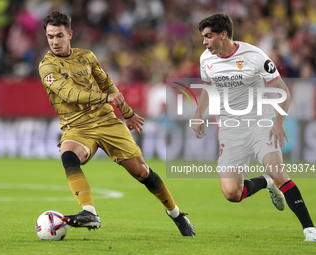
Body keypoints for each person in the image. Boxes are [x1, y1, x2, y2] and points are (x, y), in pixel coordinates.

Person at [38, 10, 195, 237]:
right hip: (77, 127)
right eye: (50, 36)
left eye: (59, 36)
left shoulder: (87, 57)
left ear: (70, 34)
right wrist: (105, 98)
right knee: (68, 154)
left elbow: (108, 84)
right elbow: (69, 94)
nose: (54, 41)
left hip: (106, 120)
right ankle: (89, 212)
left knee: (141, 172)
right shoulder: (47, 66)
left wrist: (128, 113)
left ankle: (177, 214)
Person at [191, 12, 315, 241]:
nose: (204, 42)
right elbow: (207, 89)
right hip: (229, 128)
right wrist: (199, 114)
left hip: (260, 123)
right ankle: (266, 181)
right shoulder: (205, 59)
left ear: (223, 35)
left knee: (279, 172)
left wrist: (278, 123)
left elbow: (283, 92)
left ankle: (310, 229)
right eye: (203, 37)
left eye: (208, 36)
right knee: (232, 194)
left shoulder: (254, 55)